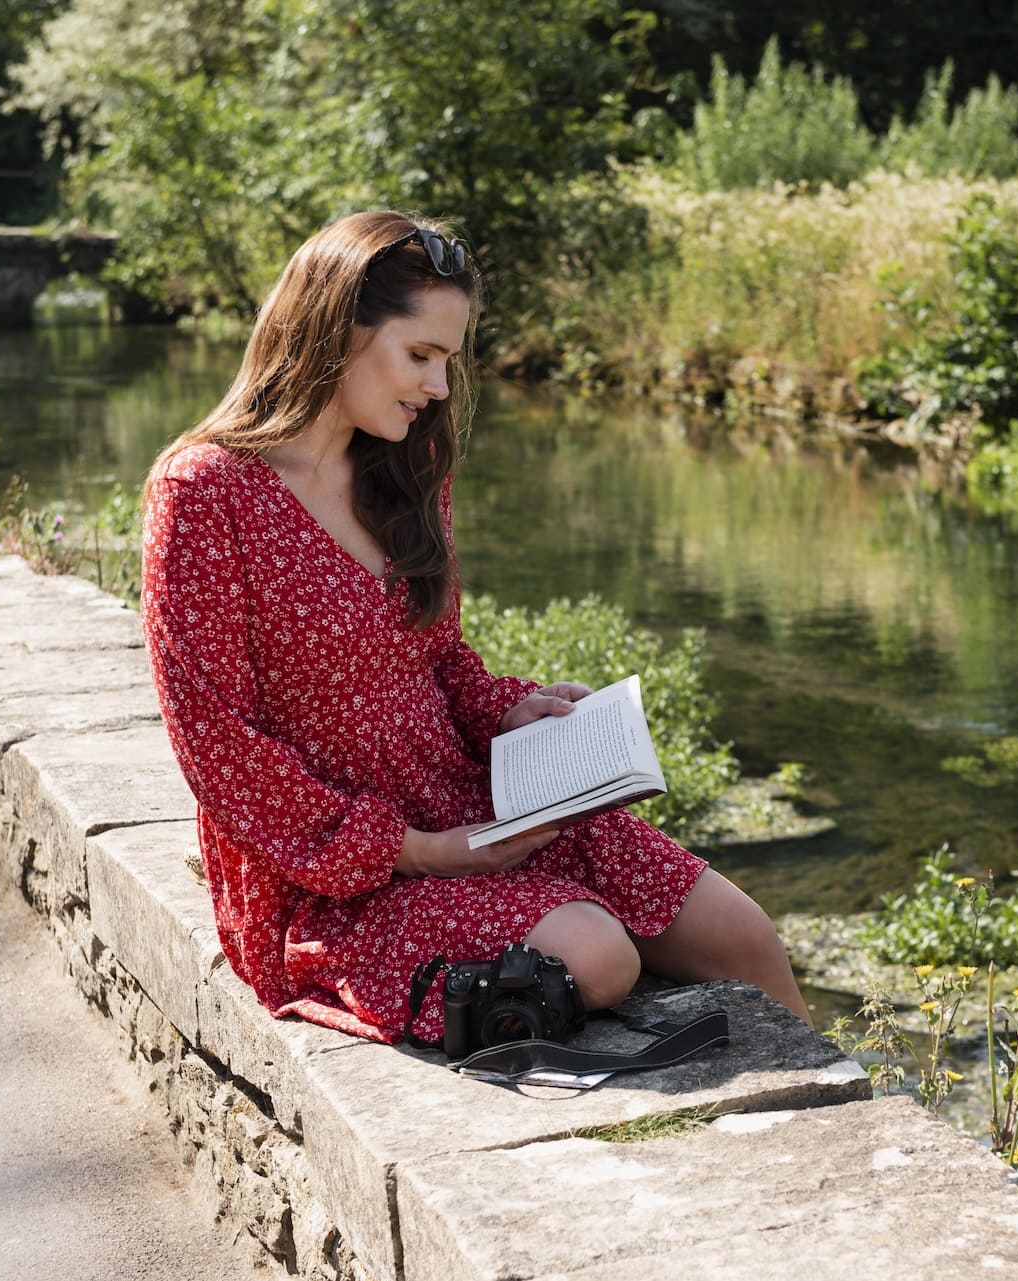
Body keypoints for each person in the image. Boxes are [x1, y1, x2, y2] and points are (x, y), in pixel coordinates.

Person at [139, 210, 811, 1046]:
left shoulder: (403, 462)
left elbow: (438, 655)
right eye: (420, 355)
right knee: (599, 957)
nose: (439, 388)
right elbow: (216, 743)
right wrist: (421, 850)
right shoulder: (204, 493)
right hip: (337, 869)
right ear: (335, 331)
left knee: (742, 933)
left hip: (475, 806)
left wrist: (506, 713)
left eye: (447, 361)